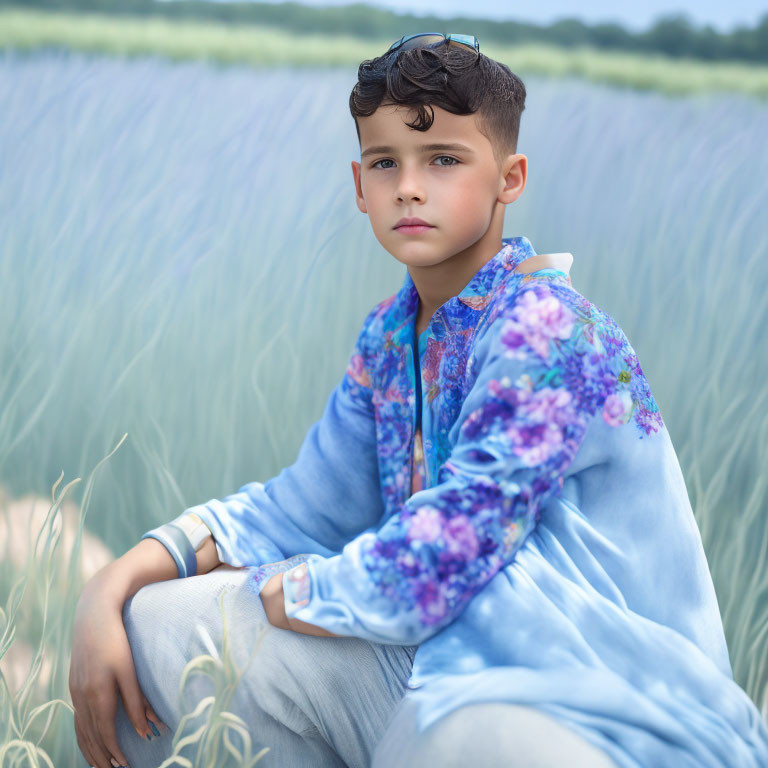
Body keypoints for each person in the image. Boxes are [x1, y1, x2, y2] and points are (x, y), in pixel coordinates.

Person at [69, 33, 768, 768]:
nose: (408, 186)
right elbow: (300, 508)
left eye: (442, 160)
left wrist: (299, 588)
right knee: (161, 626)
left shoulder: (550, 329)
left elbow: (455, 545)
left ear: (510, 176)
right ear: (359, 183)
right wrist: (114, 583)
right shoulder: (391, 336)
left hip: (593, 700)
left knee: (457, 734)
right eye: (384, 163)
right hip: (450, 666)